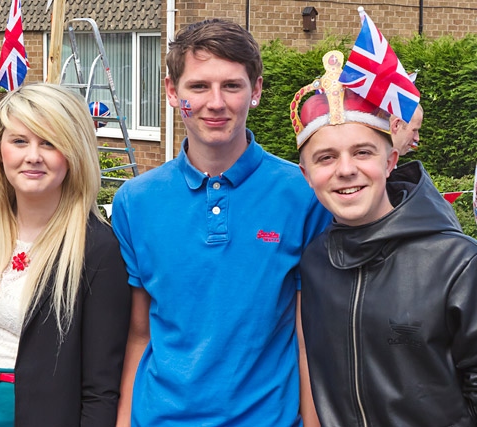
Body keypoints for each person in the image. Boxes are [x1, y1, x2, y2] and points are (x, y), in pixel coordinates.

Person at [112, 19, 331, 427]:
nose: (216, 102)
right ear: (173, 92)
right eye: (199, 86)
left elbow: (307, 341)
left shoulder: (302, 195)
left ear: (257, 91)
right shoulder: (135, 201)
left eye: (232, 85)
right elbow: (140, 334)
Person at [294, 51, 477, 426]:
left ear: (391, 161)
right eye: (325, 158)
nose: (346, 170)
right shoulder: (314, 262)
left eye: (362, 152)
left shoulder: (457, 263)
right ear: (306, 174)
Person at [0, 83, 131, 427]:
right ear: (0, 150)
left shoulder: (97, 249)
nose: (33, 156)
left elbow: (101, 388)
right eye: (19, 141)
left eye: (50, 142)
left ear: (73, 154)